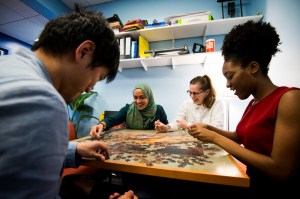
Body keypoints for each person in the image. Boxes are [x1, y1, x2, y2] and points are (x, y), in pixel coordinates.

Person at [0, 4, 137, 199]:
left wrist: (72, 149)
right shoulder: (42, 99)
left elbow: (14, 155)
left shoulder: (9, 66)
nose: (90, 88)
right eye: (97, 78)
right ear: (84, 51)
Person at [187, 20, 300, 198]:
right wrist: (209, 129)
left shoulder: (289, 99)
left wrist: (215, 138)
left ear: (253, 67)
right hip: (251, 181)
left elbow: (281, 169)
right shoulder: (254, 103)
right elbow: (239, 137)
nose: (228, 84)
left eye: (230, 76)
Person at [90, 83, 168, 139]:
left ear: (149, 97)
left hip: (154, 146)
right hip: (133, 146)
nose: (138, 101)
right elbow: (113, 119)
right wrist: (101, 125)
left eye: (142, 97)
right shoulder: (128, 109)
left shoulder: (159, 110)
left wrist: (163, 127)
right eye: (135, 97)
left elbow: (168, 128)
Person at [154, 75, 224, 132]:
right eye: (190, 92)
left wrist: (188, 125)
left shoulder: (217, 104)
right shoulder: (186, 104)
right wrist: (166, 127)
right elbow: (178, 122)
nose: (192, 96)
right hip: (190, 142)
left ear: (207, 92)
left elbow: (217, 128)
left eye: (195, 93)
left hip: (210, 143)